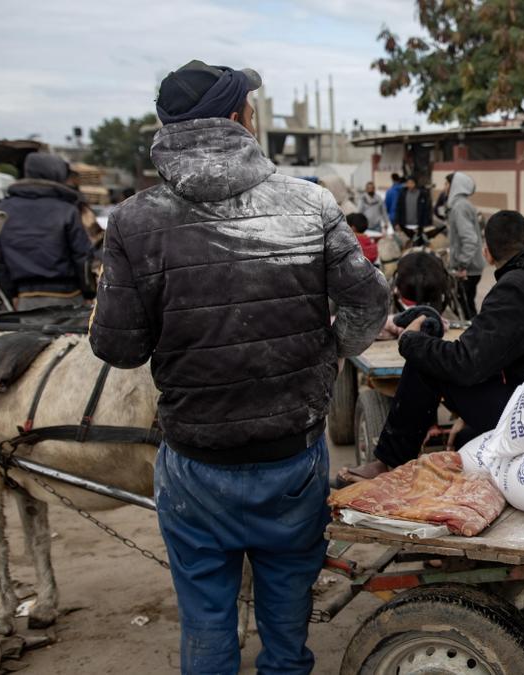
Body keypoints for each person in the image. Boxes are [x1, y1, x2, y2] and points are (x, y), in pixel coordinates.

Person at [89, 59, 389, 674]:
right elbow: (368, 302)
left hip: (196, 465)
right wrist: (328, 354)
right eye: (249, 107)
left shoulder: (134, 221)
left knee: (206, 625)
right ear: (235, 118)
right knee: (286, 627)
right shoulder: (310, 203)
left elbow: (117, 348)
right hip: (292, 461)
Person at [335, 211, 524, 484]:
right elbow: (500, 355)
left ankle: (389, 462)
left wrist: (411, 341)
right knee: (465, 436)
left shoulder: (515, 289)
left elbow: (466, 364)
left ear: (487, 254)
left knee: (426, 364)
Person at [0, 152, 94, 310]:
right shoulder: (67, 210)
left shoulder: (0, 211)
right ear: (57, 173)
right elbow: (83, 259)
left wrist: (10, 296)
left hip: (22, 301)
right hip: (68, 298)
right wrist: (89, 293)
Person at [446, 171, 486, 319]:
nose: (445, 188)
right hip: (470, 267)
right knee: (467, 303)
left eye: (447, 184)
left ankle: (476, 336)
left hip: (468, 269)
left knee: (467, 308)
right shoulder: (461, 205)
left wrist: (462, 265)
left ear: (455, 186)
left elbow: (470, 239)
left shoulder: (460, 207)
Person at [392, 175, 433, 245]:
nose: (410, 185)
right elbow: (398, 209)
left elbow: (426, 210)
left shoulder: (422, 194)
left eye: (411, 183)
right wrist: (396, 223)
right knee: (406, 246)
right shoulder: (402, 194)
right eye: (408, 183)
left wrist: (425, 223)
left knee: (418, 246)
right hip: (405, 226)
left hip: (418, 226)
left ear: (415, 183)